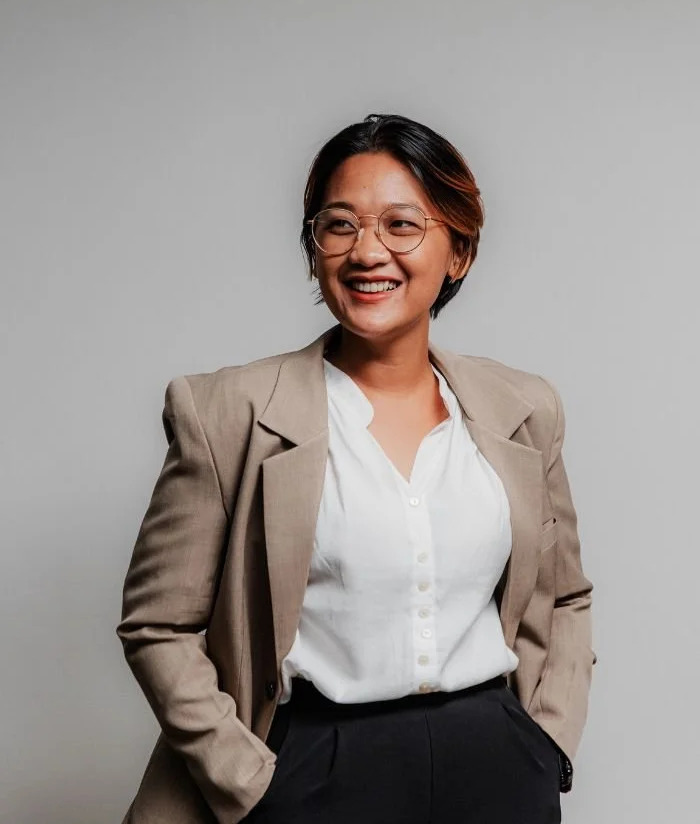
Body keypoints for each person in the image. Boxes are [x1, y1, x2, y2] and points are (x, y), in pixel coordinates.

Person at [116, 112, 595, 824]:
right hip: (312, 766)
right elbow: (158, 624)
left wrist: (546, 742)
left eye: (402, 225)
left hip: (495, 764)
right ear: (314, 250)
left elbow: (565, 596)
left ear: (459, 251)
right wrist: (245, 778)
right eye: (339, 226)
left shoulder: (524, 408)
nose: (368, 252)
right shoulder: (226, 413)